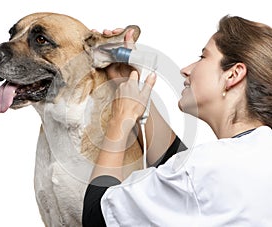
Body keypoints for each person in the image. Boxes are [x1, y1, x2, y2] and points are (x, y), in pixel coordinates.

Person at [82, 15, 272, 226]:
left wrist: (120, 122)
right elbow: (186, 184)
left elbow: (95, 216)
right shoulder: (253, 156)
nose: (186, 69)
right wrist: (128, 86)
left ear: (233, 74)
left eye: (203, 57)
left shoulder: (207, 167)